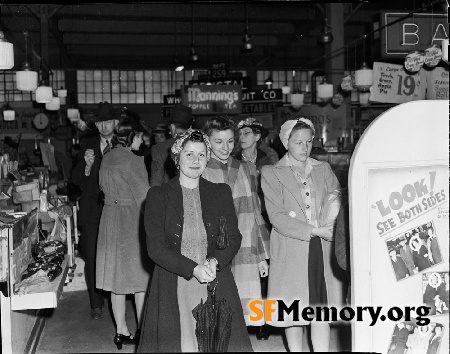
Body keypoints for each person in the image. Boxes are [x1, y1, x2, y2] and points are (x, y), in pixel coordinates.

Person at [138, 129, 253, 352]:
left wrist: (215, 262)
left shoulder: (220, 192)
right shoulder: (157, 196)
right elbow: (155, 248)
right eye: (189, 154)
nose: (195, 160)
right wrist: (193, 269)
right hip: (175, 283)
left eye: (201, 155)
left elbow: (233, 237)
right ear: (176, 158)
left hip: (215, 281)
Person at [261, 118, 347, 352]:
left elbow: (337, 199)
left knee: (321, 306)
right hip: (292, 247)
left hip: (322, 247)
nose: (304, 147)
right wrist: (315, 230)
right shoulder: (271, 172)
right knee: (294, 308)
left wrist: (332, 223)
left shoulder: (323, 168)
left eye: (308, 141)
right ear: (285, 142)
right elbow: (276, 217)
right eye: (298, 142)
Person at [201, 116, 270, 329]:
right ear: (208, 141)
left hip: (244, 245)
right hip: (210, 246)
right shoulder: (200, 168)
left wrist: (261, 256)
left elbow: (255, 211)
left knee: (241, 309)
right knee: (212, 306)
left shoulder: (245, 168)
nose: (225, 147)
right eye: (218, 142)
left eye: (230, 141)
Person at [95, 110, 152, 349]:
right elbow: (145, 198)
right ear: (132, 136)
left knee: (116, 283)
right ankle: (143, 331)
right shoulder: (133, 160)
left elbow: (101, 188)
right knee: (140, 280)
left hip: (109, 219)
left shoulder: (108, 157)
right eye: (140, 137)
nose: (142, 141)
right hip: (130, 220)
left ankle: (121, 331)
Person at [72, 101, 120, 320]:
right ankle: (96, 304)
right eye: (100, 122)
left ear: (116, 123)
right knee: (91, 255)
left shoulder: (123, 145)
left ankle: (116, 301)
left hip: (118, 210)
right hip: (92, 210)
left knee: (116, 256)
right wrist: (87, 166)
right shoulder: (87, 144)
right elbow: (75, 180)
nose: (104, 126)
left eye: (108, 121)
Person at [233, 116, 278, 340]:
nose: (242, 138)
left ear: (258, 136)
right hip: (244, 215)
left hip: (267, 217)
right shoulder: (233, 160)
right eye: (240, 134)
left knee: (266, 273)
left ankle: (265, 321)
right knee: (246, 269)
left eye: (247, 134)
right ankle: (246, 317)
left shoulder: (269, 158)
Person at [150, 105, 192, 187]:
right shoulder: (202, 146)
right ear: (190, 127)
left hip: (170, 197)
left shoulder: (159, 149)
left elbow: (156, 182)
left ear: (172, 127)